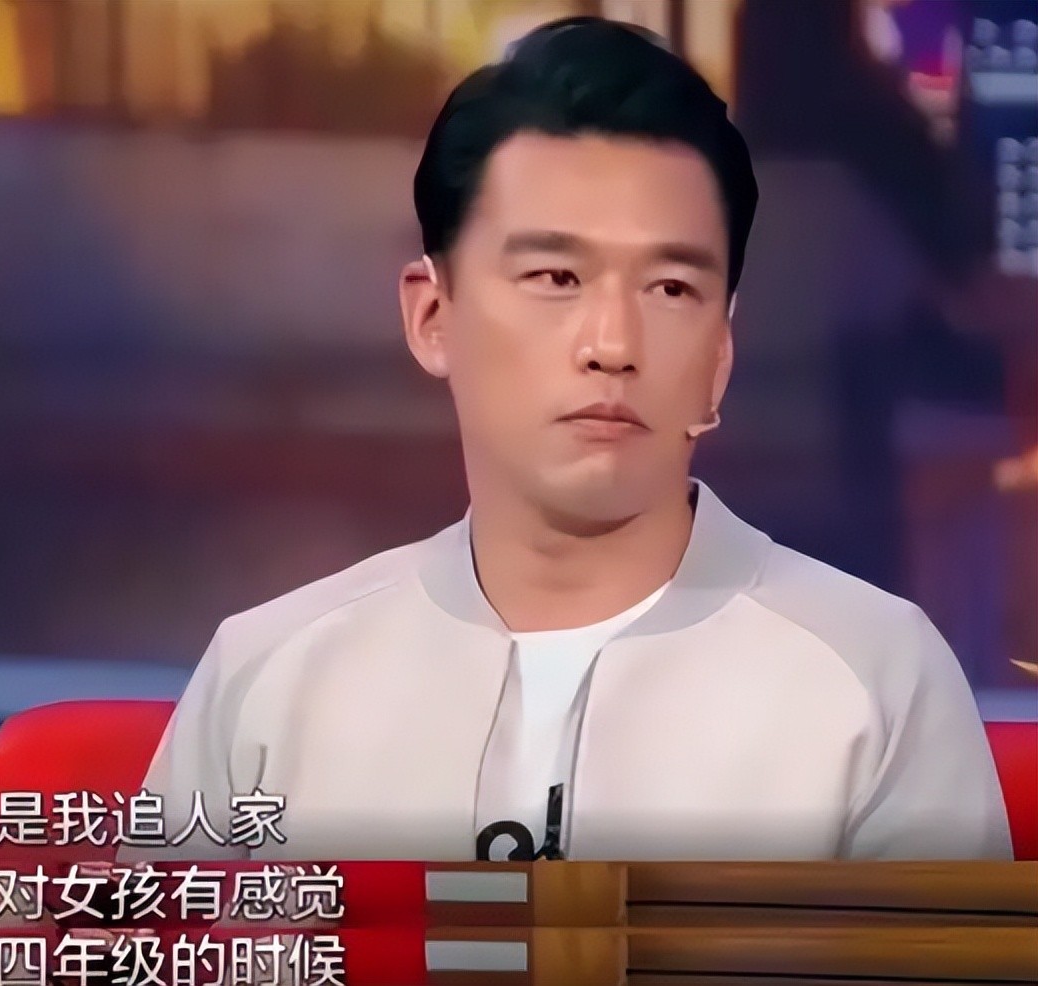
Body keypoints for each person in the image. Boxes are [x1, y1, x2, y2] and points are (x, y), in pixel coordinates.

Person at [125, 16, 1012, 863]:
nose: (613, 345)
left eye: (670, 289)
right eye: (556, 276)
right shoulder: (269, 680)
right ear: (433, 317)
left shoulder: (877, 682)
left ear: (719, 356)